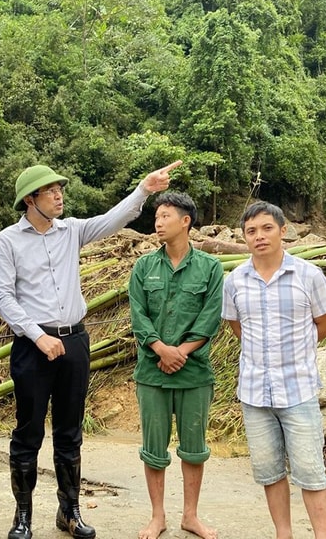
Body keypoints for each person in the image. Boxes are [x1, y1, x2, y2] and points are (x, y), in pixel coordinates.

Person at [0, 160, 181, 539]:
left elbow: (113, 219)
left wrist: (144, 188)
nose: (59, 194)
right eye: (50, 190)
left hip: (75, 341)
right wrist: (37, 336)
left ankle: (70, 512)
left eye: (60, 188)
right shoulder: (6, 241)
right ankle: (22, 516)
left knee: (69, 431)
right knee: (27, 431)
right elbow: (4, 298)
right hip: (33, 345)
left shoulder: (71, 231)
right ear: (30, 199)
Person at [222, 201, 326, 539]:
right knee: (270, 473)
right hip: (255, 392)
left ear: (283, 231)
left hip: (298, 390)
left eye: (267, 228)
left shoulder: (308, 275)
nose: (259, 236)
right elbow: (236, 325)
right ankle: (282, 534)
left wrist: (295, 350)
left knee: (312, 473)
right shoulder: (235, 280)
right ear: (244, 237)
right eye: (251, 231)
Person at [128, 192, 223, 539]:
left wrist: (180, 351)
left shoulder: (210, 268)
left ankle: (191, 516)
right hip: (152, 372)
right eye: (156, 216)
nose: (158, 222)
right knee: (153, 448)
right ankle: (157, 516)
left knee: (194, 447)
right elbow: (138, 315)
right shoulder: (144, 267)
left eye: (166, 215)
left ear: (186, 221)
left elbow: (210, 316)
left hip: (194, 372)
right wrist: (160, 349)